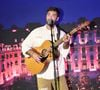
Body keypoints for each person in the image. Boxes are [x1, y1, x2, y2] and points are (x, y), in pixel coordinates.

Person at [22, 7, 70, 90]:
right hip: (42, 74)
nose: (50, 17)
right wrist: (33, 54)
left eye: (53, 15)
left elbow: (64, 52)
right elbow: (25, 45)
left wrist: (66, 42)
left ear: (57, 18)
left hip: (59, 74)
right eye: (48, 14)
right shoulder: (36, 32)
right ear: (46, 16)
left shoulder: (61, 34)